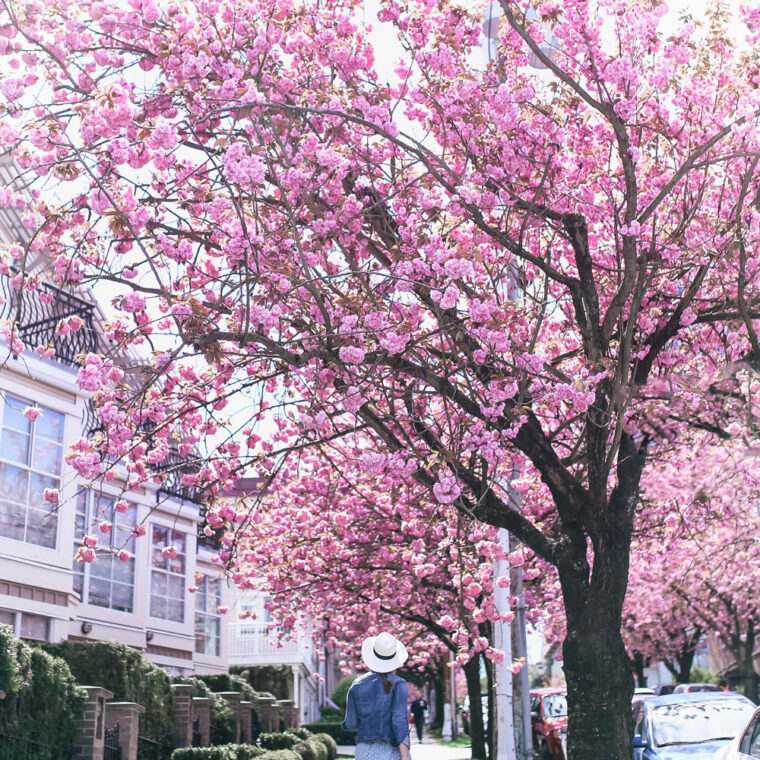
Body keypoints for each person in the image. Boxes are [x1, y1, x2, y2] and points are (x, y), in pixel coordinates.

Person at [342, 631, 411, 760]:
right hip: (390, 749)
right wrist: (405, 754)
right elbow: (399, 720)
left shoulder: (356, 685)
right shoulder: (399, 684)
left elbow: (351, 724)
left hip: (364, 750)